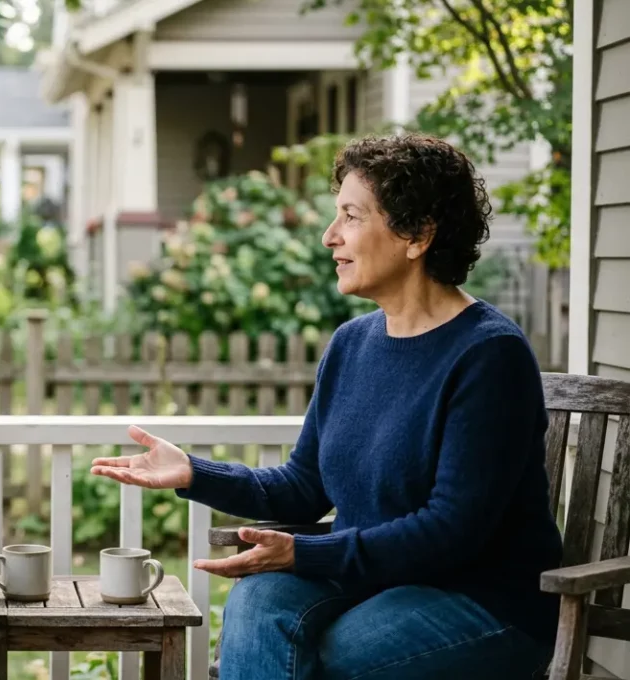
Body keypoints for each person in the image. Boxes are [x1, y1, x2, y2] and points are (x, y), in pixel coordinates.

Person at [91, 133, 562, 679]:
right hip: (377, 582)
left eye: (351, 217)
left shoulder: (489, 354)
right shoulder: (352, 344)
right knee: (255, 602)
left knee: (328, 657)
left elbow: (449, 532)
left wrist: (302, 553)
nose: (328, 236)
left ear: (417, 234)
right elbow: (304, 487)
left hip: (483, 602)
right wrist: (193, 472)